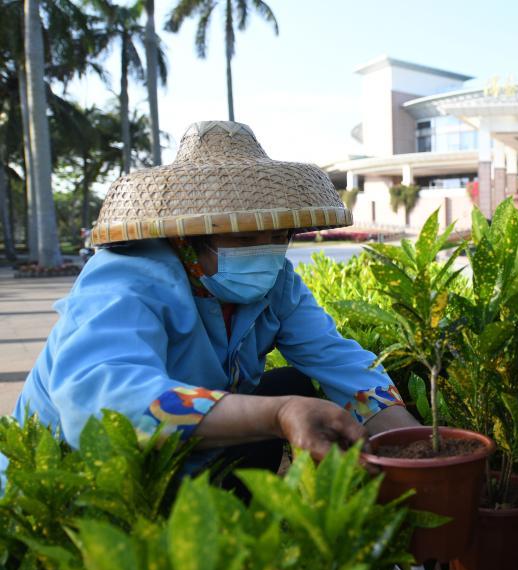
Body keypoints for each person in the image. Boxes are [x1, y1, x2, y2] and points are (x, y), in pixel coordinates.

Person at [6, 121, 419, 491]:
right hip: (78, 484)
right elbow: (104, 402)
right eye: (243, 239)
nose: (265, 253)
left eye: (279, 237)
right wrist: (276, 414)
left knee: (289, 385)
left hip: (180, 457)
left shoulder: (278, 282)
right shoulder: (126, 278)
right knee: (280, 403)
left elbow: (336, 358)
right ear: (187, 237)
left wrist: (410, 441)